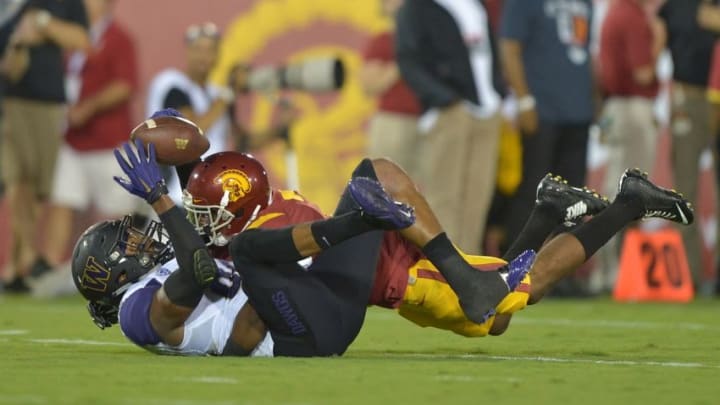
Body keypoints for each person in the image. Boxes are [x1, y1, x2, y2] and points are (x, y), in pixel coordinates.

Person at [71, 137, 693, 356]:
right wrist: (166, 201)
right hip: (318, 298)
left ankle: (624, 205)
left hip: (337, 285)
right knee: (497, 311)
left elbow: (210, 247)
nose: (142, 236)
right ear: (115, 270)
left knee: (504, 304)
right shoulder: (138, 310)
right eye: (127, 239)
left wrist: (174, 186)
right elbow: (199, 262)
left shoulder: (242, 227)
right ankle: (567, 211)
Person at [31, 0, 138, 285]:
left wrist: (88, 108)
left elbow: (124, 86)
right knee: (62, 202)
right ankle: (50, 267)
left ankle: (124, 273)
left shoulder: (118, 38)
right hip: (74, 139)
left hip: (108, 141)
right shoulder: (72, 36)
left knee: (119, 212)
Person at [394, 0, 505, 253]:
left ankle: (469, 268)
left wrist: (499, 92)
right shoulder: (417, 8)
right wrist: (443, 100)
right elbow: (408, 60)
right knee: (444, 197)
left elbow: (489, 51)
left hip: (487, 109)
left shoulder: (475, 5)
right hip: (451, 110)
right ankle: (441, 271)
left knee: (478, 199)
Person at [145, 23, 291, 203]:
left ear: (218, 55)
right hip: (177, 194)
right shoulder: (172, 85)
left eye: (210, 50)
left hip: (213, 194)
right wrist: (230, 91)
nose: (204, 56)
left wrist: (280, 129)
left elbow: (241, 141)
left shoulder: (217, 95)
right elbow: (190, 132)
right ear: (188, 51)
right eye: (198, 49)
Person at [0, 0, 89, 292]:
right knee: (16, 179)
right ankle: (24, 259)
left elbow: (81, 40)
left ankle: (17, 267)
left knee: (37, 189)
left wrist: (42, 24)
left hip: (48, 105)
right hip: (11, 103)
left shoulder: (65, 3)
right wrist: (17, 44)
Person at [499, 0, 595, 263]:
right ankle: (515, 266)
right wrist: (524, 100)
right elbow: (509, 46)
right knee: (534, 192)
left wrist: (594, 101)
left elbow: (587, 53)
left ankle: (563, 272)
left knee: (576, 201)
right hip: (541, 110)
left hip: (578, 110)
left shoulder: (585, 3)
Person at [594, 0, 666, 291]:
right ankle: (613, 274)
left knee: (615, 189)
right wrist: (659, 41)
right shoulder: (633, 17)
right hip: (632, 109)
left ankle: (609, 271)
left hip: (617, 108)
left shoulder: (615, 13)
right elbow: (643, 73)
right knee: (627, 195)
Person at [660, 0, 720, 295]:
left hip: (716, 96)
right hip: (689, 98)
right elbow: (656, 46)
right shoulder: (672, 7)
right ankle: (687, 276)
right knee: (684, 192)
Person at [359, 0, 421, 176]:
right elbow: (369, 85)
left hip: (429, 123)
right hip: (394, 122)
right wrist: (404, 60)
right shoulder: (384, 41)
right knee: (384, 188)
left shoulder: (431, 42)